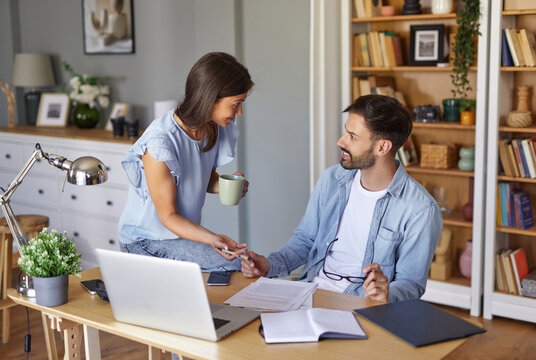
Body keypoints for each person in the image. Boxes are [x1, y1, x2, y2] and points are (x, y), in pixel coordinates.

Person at [242, 95, 442, 303]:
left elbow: (411, 283)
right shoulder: (332, 179)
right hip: (308, 292)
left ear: (382, 147)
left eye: (352, 137)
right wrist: (270, 265)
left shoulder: (421, 209)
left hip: (361, 305)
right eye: (346, 131)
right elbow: (306, 240)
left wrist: (387, 294)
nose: (341, 141)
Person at [118, 52, 253, 272]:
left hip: (177, 237)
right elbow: (168, 216)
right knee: (238, 265)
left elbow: (203, 179)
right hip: (145, 241)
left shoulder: (212, 128)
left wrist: (225, 186)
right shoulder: (159, 143)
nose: (239, 111)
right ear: (211, 98)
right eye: (236, 104)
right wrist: (213, 239)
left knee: (244, 262)